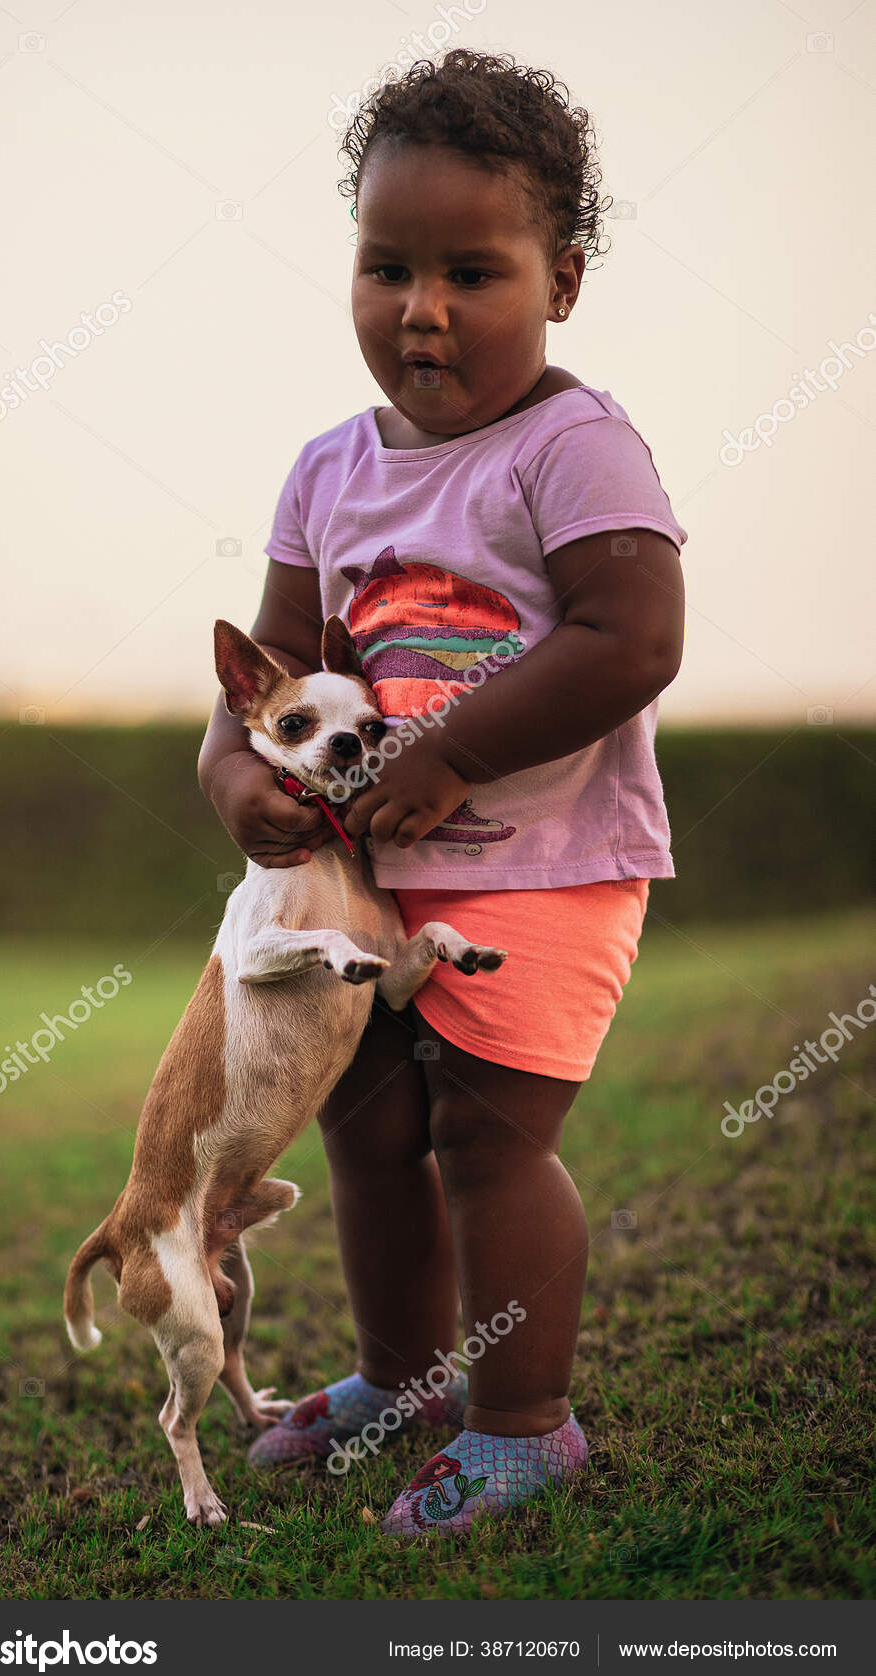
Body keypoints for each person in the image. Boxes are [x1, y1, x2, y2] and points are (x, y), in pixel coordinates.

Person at [197, 48, 686, 1538]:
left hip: (546, 869)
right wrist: (233, 777)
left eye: (474, 270)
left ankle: (523, 1422)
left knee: (485, 1138)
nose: (422, 308)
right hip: (377, 887)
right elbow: (272, 676)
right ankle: (400, 1383)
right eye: (387, 265)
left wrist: (460, 751)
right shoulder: (328, 472)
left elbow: (635, 636)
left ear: (567, 277)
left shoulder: (570, 444)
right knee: (363, 1123)